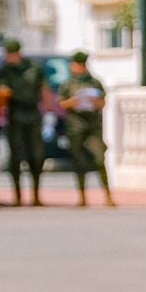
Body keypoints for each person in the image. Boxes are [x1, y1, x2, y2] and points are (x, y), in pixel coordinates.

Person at [59, 50, 114, 207]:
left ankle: (108, 196)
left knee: (99, 159)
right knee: (79, 162)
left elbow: (103, 102)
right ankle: (82, 197)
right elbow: (62, 103)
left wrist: (94, 102)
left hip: (93, 127)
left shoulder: (94, 83)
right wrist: (73, 102)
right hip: (75, 127)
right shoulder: (67, 84)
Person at [0, 39, 48, 206]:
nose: (8, 57)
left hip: (33, 115)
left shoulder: (34, 68)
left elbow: (43, 89)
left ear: (17, 53)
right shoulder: (4, 71)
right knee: (16, 157)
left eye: (11, 54)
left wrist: (48, 109)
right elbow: (1, 88)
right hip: (15, 115)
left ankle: (36, 195)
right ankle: (17, 196)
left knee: (37, 156)